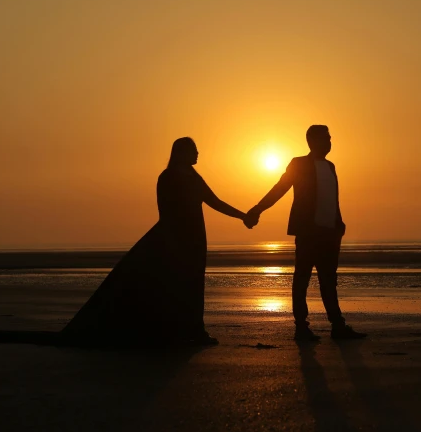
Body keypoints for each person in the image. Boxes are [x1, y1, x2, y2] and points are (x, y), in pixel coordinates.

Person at [61, 137, 249, 347]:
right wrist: (172, 237)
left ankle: (195, 329)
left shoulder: (195, 178)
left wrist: (242, 216)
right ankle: (175, 330)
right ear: (183, 153)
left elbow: (215, 202)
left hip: (195, 237)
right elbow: (165, 211)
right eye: (194, 150)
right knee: (172, 283)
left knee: (194, 283)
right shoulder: (167, 177)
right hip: (176, 237)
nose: (198, 154)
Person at [245, 125, 367, 341]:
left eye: (330, 138)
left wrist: (339, 223)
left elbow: (332, 198)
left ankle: (337, 326)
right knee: (302, 278)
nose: (330, 142)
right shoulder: (299, 164)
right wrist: (257, 209)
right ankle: (301, 327)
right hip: (308, 233)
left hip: (330, 234)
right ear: (312, 141)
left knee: (329, 280)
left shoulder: (331, 166)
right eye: (326, 138)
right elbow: (279, 188)